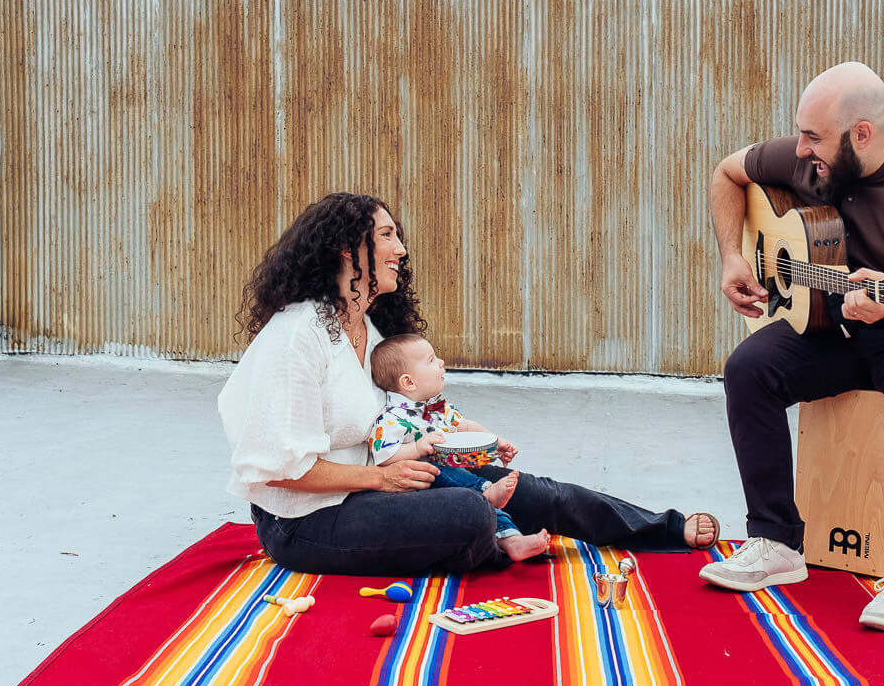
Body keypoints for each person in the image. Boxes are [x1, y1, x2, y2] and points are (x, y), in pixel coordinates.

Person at [218, 191, 719, 576]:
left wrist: (454, 446)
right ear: (349, 250)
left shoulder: (367, 330)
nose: (402, 249)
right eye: (387, 236)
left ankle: (667, 528)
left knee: (537, 493)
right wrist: (380, 479)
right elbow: (276, 470)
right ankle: (499, 546)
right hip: (306, 522)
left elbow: (403, 419)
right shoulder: (295, 336)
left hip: (385, 482)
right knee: (469, 512)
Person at [700, 61, 884, 635]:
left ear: (862, 133)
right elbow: (726, 174)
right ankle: (776, 542)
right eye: (801, 134)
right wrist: (734, 256)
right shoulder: (810, 158)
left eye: (814, 137)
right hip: (836, 328)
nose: (802, 150)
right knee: (748, 369)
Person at [368, 333, 551, 562]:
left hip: (451, 479)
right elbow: (383, 456)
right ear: (408, 382)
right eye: (431, 360)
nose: (441, 362)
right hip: (417, 486)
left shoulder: (437, 409)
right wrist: (416, 448)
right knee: (456, 478)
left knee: (486, 506)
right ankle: (486, 490)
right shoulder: (390, 419)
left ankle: (512, 540)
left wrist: (495, 442)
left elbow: (464, 426)